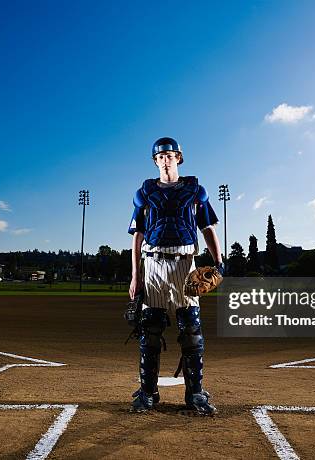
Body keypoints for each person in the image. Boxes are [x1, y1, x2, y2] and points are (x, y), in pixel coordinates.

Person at [127, 136, 224, 415]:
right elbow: (137, 238)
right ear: (155, 161)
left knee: (191, 332)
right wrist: (136, 276)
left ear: (179, 158)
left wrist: (219, 263)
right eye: (161, 156)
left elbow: (207, 230)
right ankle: (148, 393)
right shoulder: (145, 194)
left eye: (171, 155)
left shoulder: (195, 192)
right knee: (150, 332)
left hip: (186, 263)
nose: (166, 159)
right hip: (154, 264)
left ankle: (195, 394)